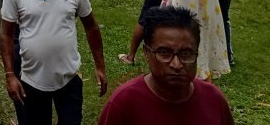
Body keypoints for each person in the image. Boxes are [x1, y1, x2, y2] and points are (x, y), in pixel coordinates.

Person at [1, 0, 107, 125]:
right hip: (31, 80)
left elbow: (91, 26)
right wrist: (10, 75)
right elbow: (7, 35)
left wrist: (100, 66)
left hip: (69, 79)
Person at [98, 7, 235, 125]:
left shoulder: (213, 100)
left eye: (186, 54)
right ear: (147, 53)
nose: (176, 64)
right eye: (164, 53)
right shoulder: (123, 105)